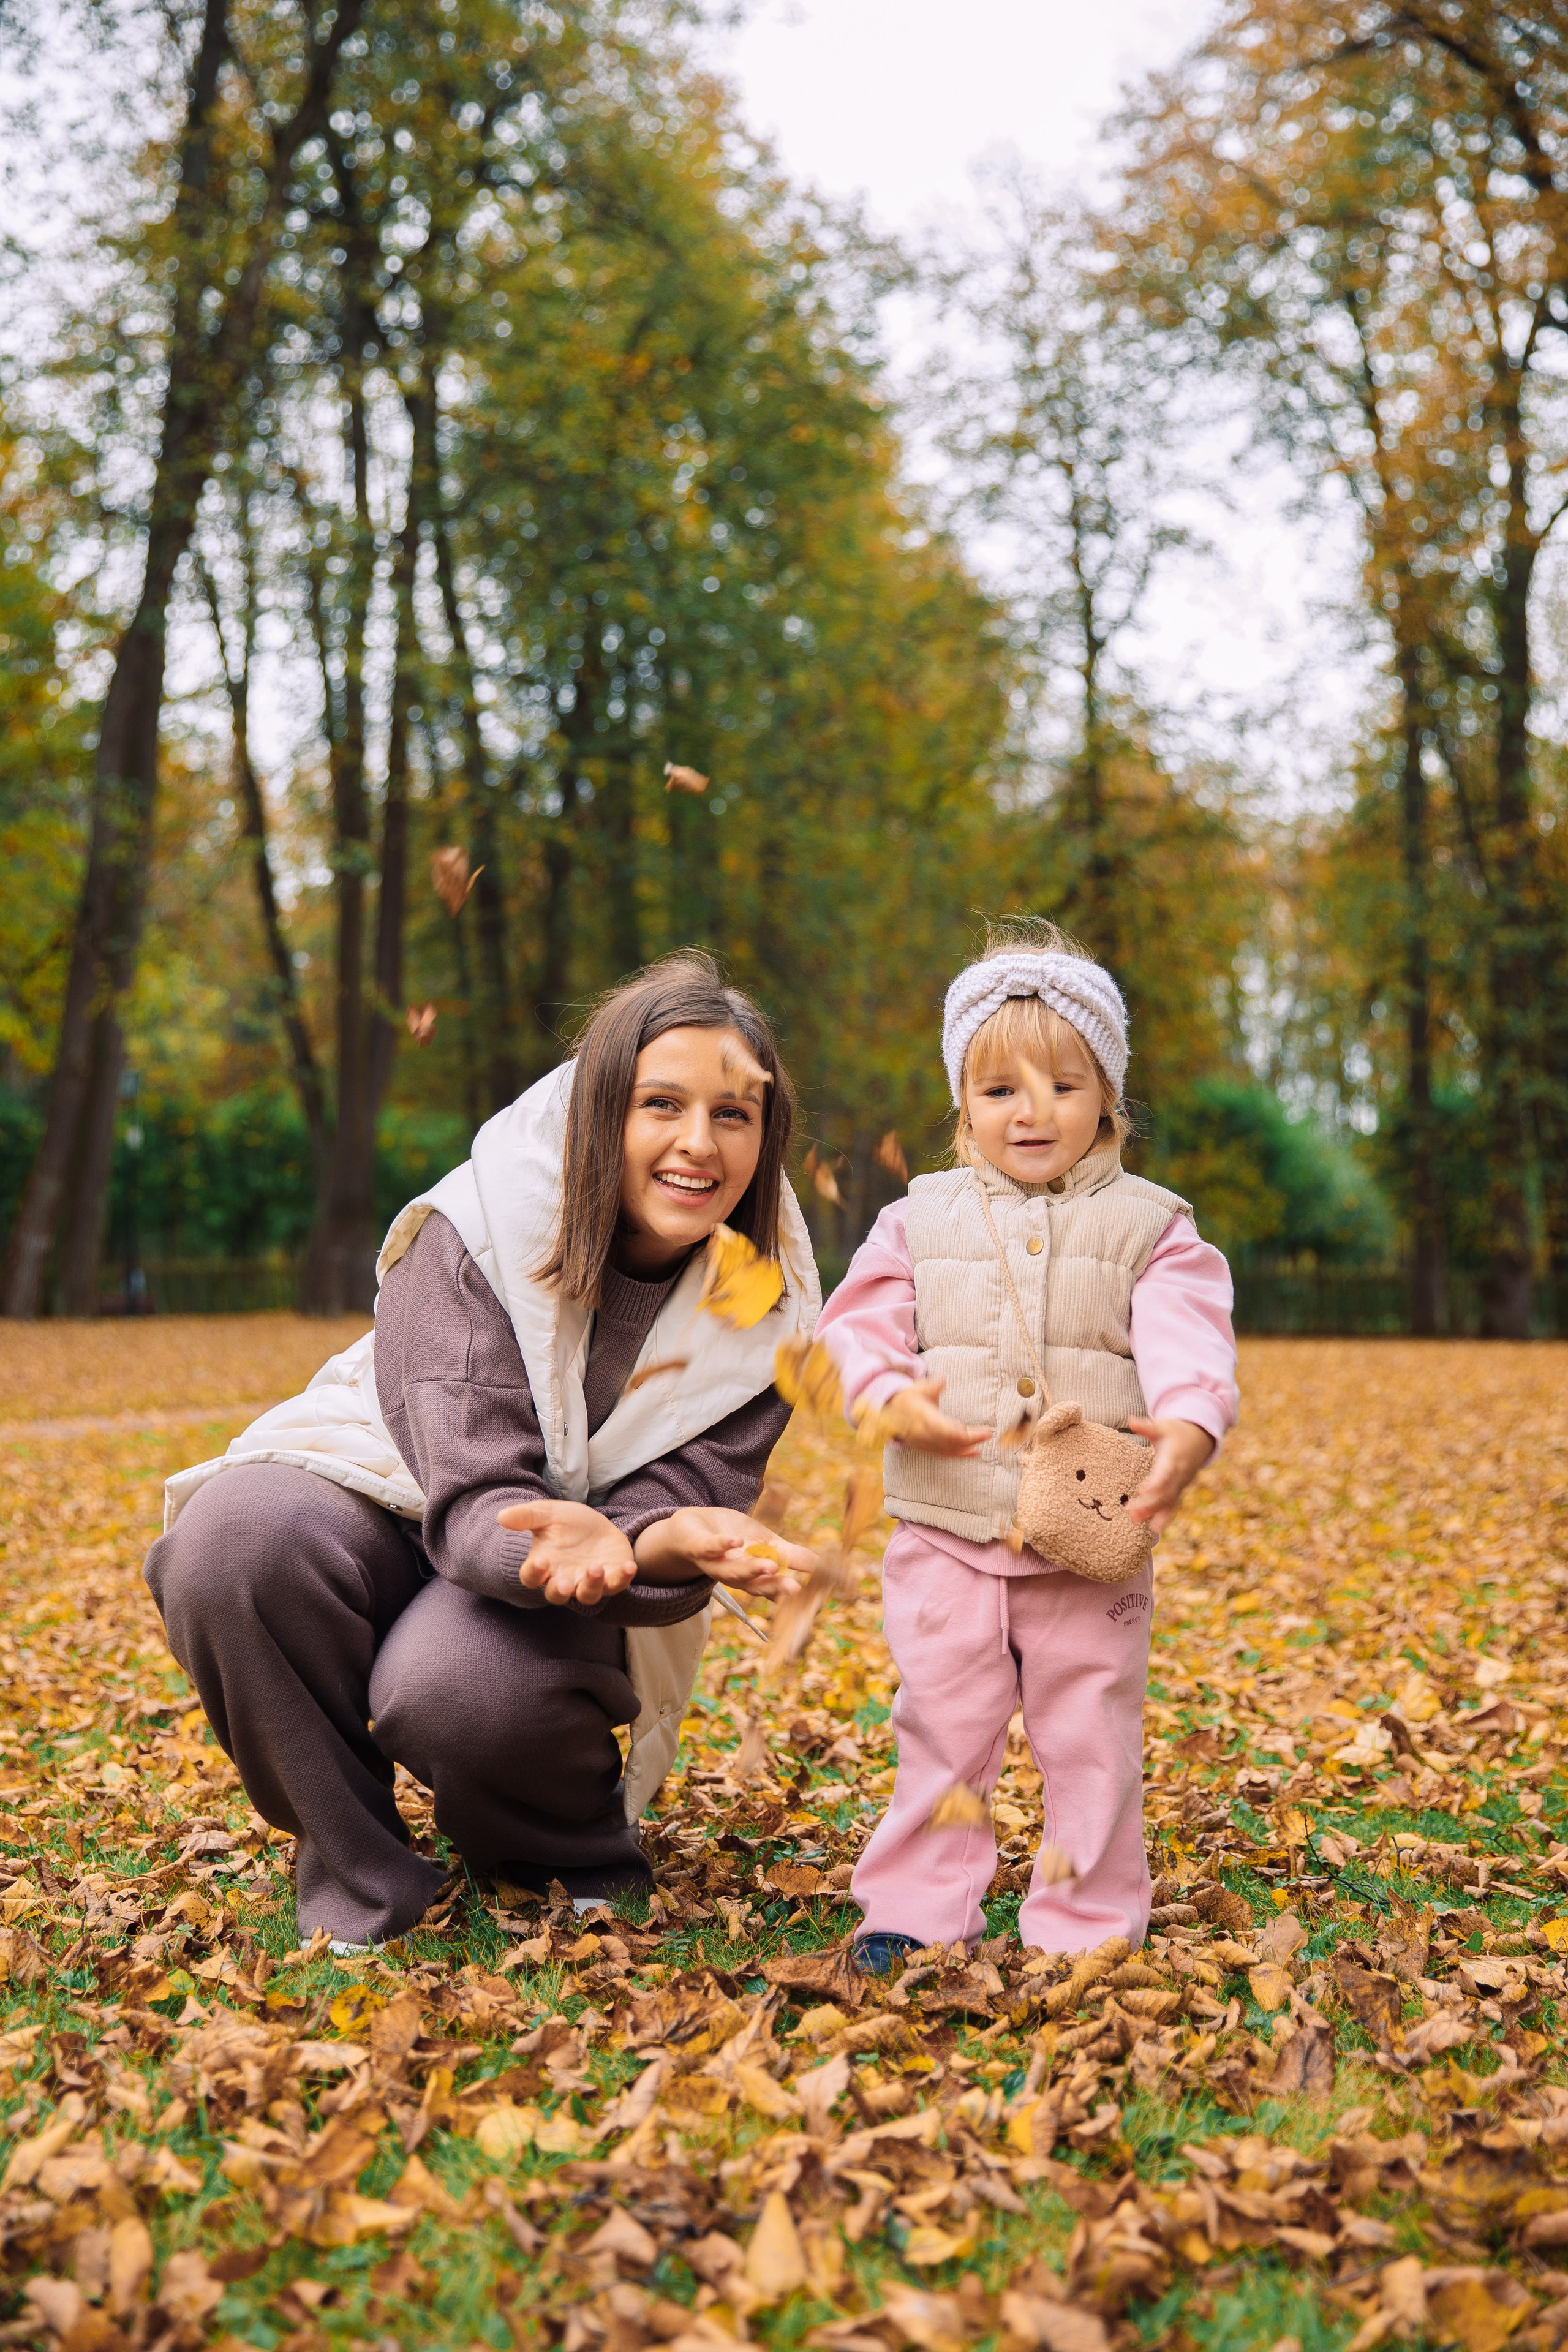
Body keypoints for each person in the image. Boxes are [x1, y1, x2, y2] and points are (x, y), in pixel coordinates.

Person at [145, 956, 819, 1951]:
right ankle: (358, 1871)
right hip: (389, 1484)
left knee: (457, 1688)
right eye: (661, 1104)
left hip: (569, 1570)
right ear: (599, 1113)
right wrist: (575, 1539)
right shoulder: (476, 1229)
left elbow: (676, 1500)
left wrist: (669, 1539)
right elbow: (473, 1499)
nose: (697, 1144)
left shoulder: (768, 1317)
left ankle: (561, 1850)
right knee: (229, 1550)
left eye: (734, 1114)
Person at [814, 922, 1237, 1967]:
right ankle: (915, 1910)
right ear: (964, 1102)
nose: (1032, 1111)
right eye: (1001, 1090)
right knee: (941, 1737)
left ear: (1108, 1095)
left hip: (1089, 1539)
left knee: (1091, 1744)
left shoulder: (1151, 1225)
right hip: (946, 1535)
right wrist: (885, 1392)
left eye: (1062, 1083)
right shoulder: (918, 1217)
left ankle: (1086, 1925)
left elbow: (1190, 1334)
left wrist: (1188, 1421)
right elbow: (855, 1326)